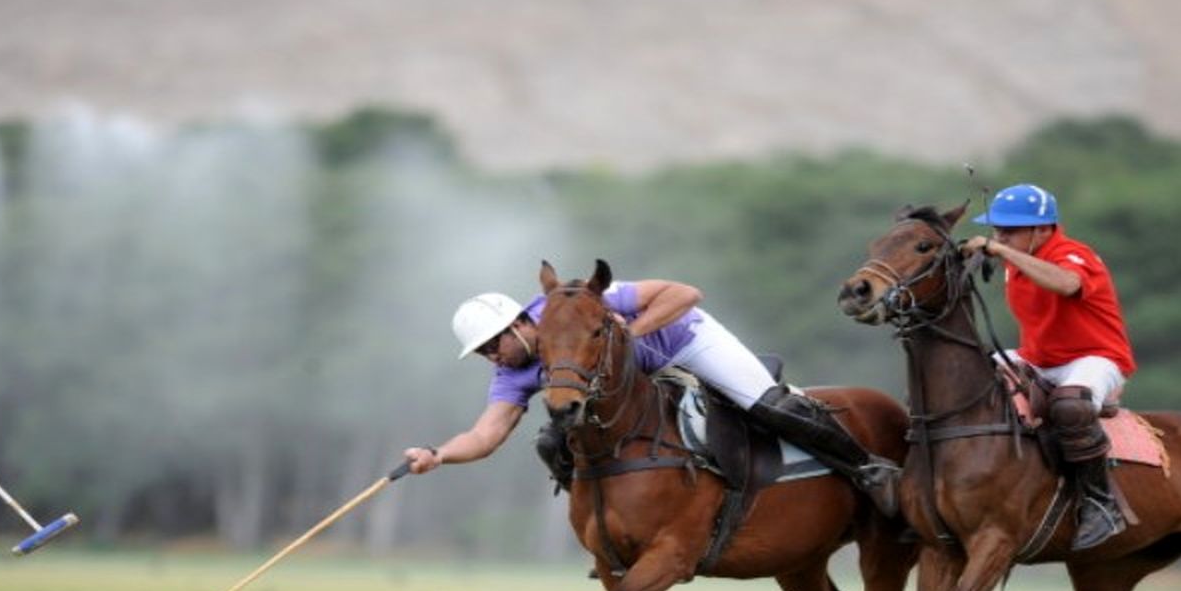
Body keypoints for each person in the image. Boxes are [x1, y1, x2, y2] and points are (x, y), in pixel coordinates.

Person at [402, 275, 902, 515]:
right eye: (481, 352)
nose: (491, 355)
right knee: (551, 441)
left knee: (766, 406)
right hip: (637, 386)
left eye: (493, 343)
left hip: (686, 343)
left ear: (519, 323)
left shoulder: (576, 304)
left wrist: (629, 337)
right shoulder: (513, 373)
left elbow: (685, 294)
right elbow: (486, 434)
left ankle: (868, 470)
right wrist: (439, 455)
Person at [962, 183, 1136, 550]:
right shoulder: (1016, 256)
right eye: (997, 229)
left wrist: (998, 249)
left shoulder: (1074, 254)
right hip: (1039, 358)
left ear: (1044, 229)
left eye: (1010, 229)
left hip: (1095, 357)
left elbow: (1067, 283)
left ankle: (1100, 505)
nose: (1000, 236)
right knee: (964, 378)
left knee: (1071, 405)